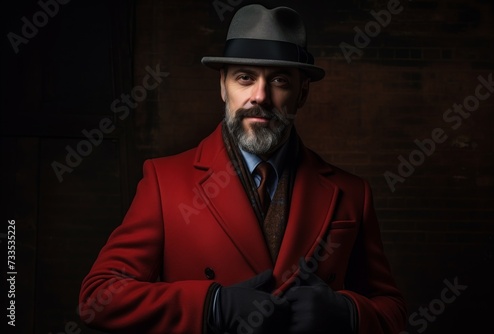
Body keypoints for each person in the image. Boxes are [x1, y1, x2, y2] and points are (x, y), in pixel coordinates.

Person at [79, 4, 407, 334]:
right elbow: (98, 297)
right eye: (245, 78)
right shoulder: (165, 181)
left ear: (302, 93)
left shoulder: (351, 192)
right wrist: (212, 306)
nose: (260, 96)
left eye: (279, 80)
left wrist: (348, 313)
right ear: (223, 87)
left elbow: (393, 312)